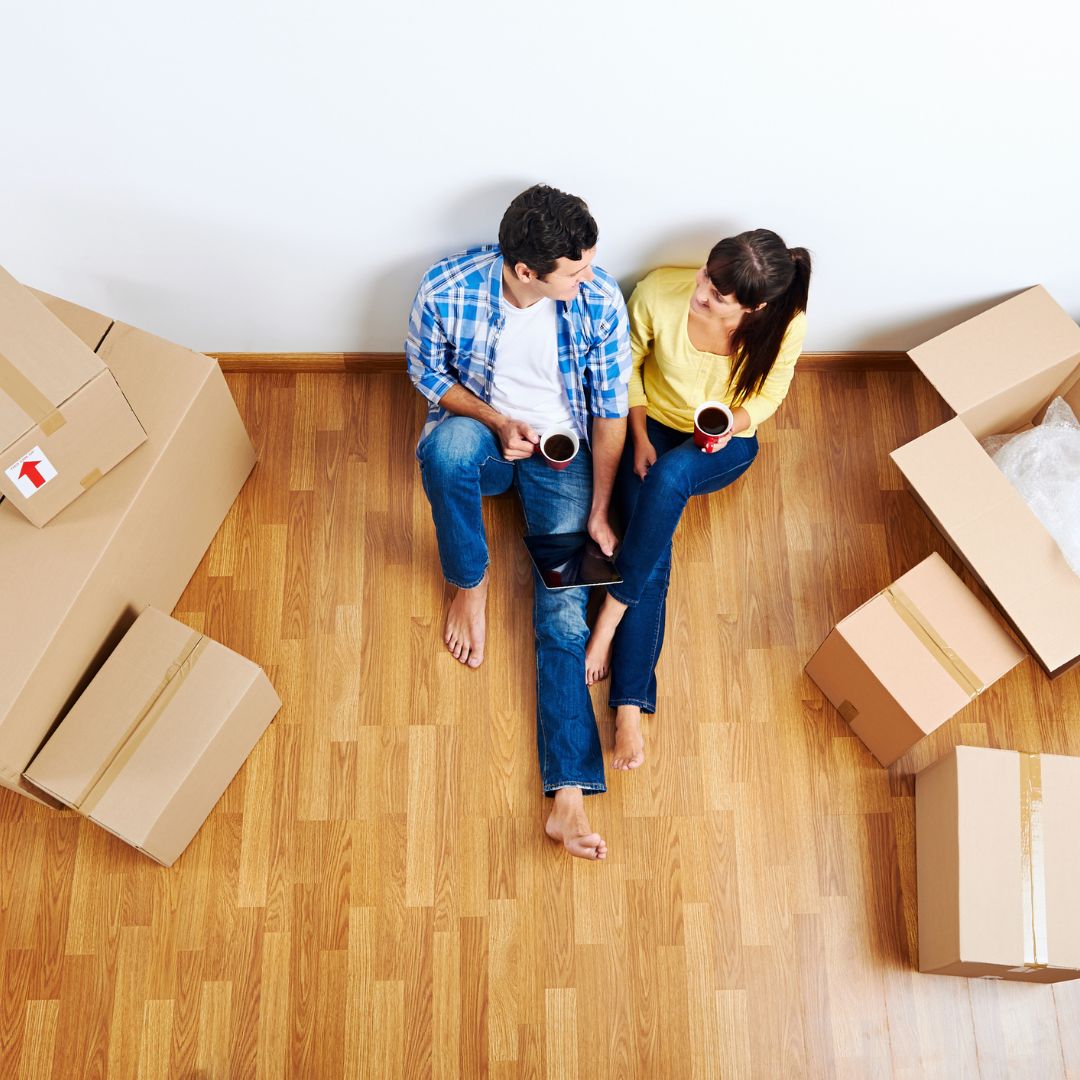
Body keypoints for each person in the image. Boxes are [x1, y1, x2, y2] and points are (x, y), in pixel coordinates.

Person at [405, 184, 631, 860]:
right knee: (444, 452)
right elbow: (425, 373)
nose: (590, 277)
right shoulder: (446, 290)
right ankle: (467, 582)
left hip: (563, 459)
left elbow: (611, 408)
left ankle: (566, 795)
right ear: (526, 270)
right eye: (577, 268)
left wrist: (597, 507)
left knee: (562, 612)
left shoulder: (598, 300)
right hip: (487, 438)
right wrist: (496, 422)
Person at [584, 229, 811, 770]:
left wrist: (733, 423)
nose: (701, 293)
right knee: (653, 545)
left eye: (717, 295)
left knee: (667, 484)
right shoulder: (659, 293)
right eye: (706, 277)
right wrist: (639, 437)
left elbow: (770, 395)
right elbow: (628, 370)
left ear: (754, 308)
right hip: (654, 429)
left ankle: (608, 623)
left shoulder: (785, 324)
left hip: (722, 443)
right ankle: (629, 707)